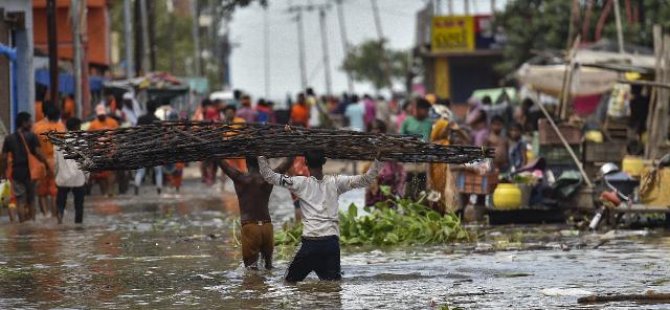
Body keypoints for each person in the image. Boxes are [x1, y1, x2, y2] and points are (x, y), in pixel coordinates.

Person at [258, 150, 381, 282]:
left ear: (305, 163)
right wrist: (377, 160)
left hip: (311, 245)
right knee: (333, 287)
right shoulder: (336, 182)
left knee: (289, 282)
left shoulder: (299, 183)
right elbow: (367, 179)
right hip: (331, 245)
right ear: (324, 162)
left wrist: (261, 155)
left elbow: (269, 176)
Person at [218, 156, 293, 269]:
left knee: (251, 270)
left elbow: (223, 164)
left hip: (250, 227)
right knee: (269, 268)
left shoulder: (240, 178)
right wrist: (295, 152)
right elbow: (287, 163)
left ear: (247, 163)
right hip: (267, 227)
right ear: (262, 164)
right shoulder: (269, 178)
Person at [1, 112, 51, 222]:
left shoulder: (9, 138)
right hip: (31, 173)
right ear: (24, 123)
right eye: (30, 121)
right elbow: (38, 152)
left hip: (16, 172)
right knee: (31, 200)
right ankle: (32, 223)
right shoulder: (32, 136)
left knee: (20, 200)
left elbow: (4, 158)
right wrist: (47, 164)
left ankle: (22, 224)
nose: (32, 123)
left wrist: (3, 173)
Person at [33, 104, 65, 217]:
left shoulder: (37, 127)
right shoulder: (61, 127)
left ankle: (45, 215)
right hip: (56, 161)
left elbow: (33, 147)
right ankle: (55, 216)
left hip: (40, 162)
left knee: (41, 192)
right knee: (54, 191)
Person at [55, 118, 88, 224]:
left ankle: (60, 218)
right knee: (79, 205)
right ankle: (78, 226)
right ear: (76, 127)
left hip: (63, 177)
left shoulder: (59, 142)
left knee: (61, 202)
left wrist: (56, 175)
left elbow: (55, 163)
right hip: (79, 177)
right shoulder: (82, 142)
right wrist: (87, 177)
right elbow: (86, 161)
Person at [365, 120, 405, 206]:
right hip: (374, 176)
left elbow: (396, 161)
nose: (376, 131)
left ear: (383, 131)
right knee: (374, 202)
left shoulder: (388, 143)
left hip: (388, 175)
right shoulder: (367, 144)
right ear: (369, 130)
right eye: (374, 129)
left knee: (390, 200)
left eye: (379, 129)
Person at [88, 104, 119, 196]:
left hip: (111, 150)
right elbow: (90, 139)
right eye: (100, 115)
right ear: (97, 115)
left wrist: (116, 148)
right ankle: (104, 193)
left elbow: (117, 136)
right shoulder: (93, 125)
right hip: (99, 151)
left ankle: (110, 191)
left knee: (112, 171)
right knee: (101, 175)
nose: (101, 116)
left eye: (103, 114)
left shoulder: (113, 122)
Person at [134, 101, 163, 195]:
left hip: (143, 146)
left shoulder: (140, 119)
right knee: (158, 170)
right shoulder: (157, 120)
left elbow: (136, 133)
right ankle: (159, 189)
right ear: (155, 109)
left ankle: (137, 186)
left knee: (141, 170)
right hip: (155, 147)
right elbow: (161, 135)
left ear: (146, 108)